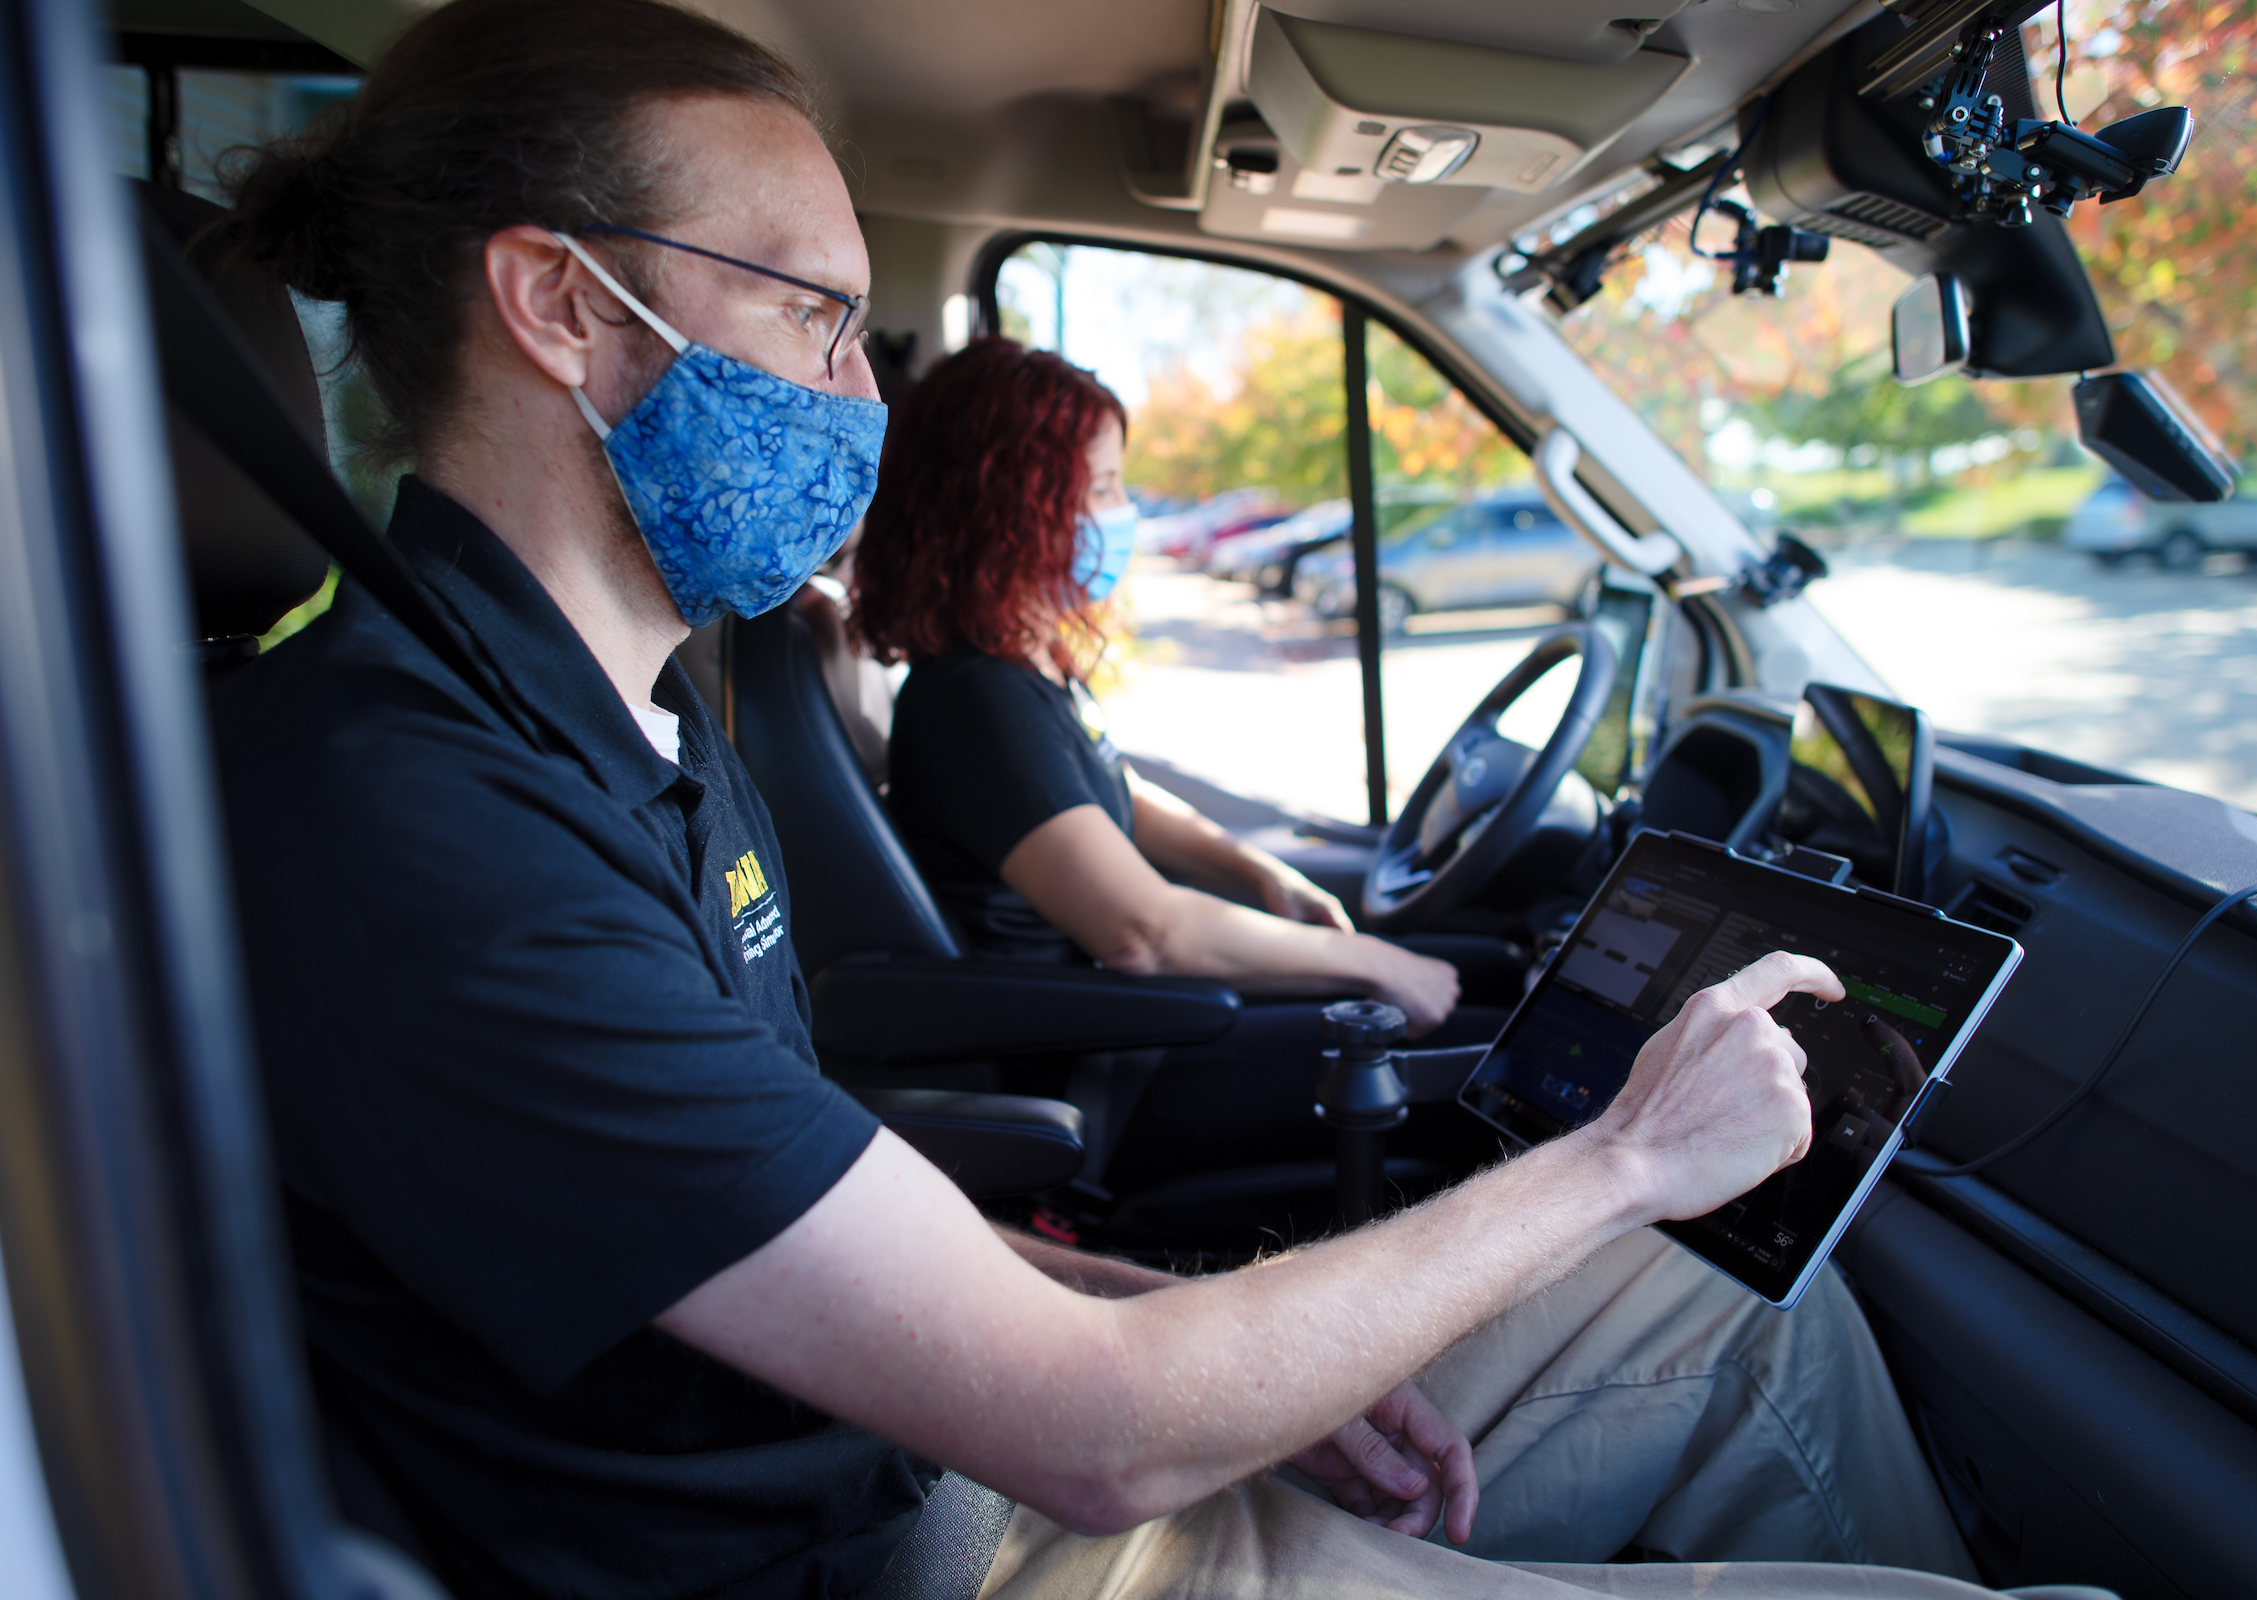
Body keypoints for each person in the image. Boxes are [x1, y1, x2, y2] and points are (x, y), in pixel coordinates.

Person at [206, 4, 2104, 1599]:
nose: (863, 399)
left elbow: (764, 1211)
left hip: (934, 1455)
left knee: (1737, 1322)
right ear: (560, 305)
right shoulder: (410, 821)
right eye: (819, 316)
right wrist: (1626, 1155)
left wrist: (1123, 1285)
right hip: (931, 1552)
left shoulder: (633, 735)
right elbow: (1102, 1433)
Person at [849, 342, 1469, 1039]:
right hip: (1090, 1046)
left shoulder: (1021, 660)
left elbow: (1096, 794)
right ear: (1014, 508)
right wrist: (1376, 964)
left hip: (1117, 1018)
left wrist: (1251, 868)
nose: (1124, 512)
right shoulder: (978, 702)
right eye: (1106, 485)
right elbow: (1148, 935)